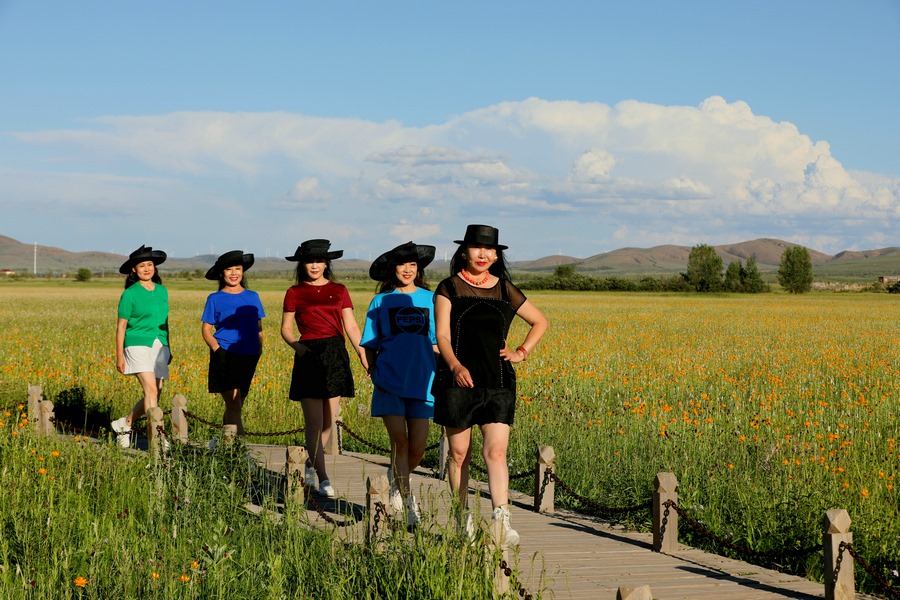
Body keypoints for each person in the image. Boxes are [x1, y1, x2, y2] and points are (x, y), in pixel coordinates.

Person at [433, 224, 548, 547]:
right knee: (459, 454)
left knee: (496, 451)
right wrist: (455, 366)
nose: (482, 254)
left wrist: (521, 352)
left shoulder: (505, 289)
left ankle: (502, 519)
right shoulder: (449, 287)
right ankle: (462, 519)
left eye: (489, 249)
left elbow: (540, 321)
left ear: (496, 255)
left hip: (498, 381)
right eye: (476, 248)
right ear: (464, 253)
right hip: (458, 380)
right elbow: (442, 335)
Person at [280, 239, 368, 498]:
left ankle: (310, 463)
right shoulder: (294, 292)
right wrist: (297, 346)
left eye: (319, 261)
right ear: (302, 264)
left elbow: (351, 326)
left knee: (329, 420)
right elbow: (286, 328)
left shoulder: (339, 290)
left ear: (327, 263)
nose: (315, 266)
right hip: (309, 354)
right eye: (310, 261)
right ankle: (324, 477)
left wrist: (363, 354)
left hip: (335, 353)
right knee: (314, 422)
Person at [361, 241, 438, 527]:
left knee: (418, 448)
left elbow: (437, 340)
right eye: (402, 265)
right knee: (400, 443)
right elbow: (369, 343)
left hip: (423, 381)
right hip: (389, 381)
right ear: (393, 269)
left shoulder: (431, 299)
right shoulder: (380, 301)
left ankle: (396, 478)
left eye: (413, 265)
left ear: (419, 269)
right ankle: (408, 504)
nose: (407, 269)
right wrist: (372, 370)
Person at [111, 245, 172, 449]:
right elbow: (121, 327)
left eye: (149, 265)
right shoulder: (130, 294)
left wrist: (168, 347)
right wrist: (119, 356)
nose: (146, 269)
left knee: (156, 392)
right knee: (151, 389)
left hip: (159, 344)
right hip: (136, 344)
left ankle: (125, 423)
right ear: (134, 270)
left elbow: (165, 322)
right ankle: (157, 437)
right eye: (142, 266)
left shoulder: (162, 291)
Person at [201, 250, 265, 441]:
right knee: (234, 404)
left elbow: (258, 326)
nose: (234, 273)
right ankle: (241, 448)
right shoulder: (215, 298)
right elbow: (206, 329)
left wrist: (259, 347)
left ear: (243, 271)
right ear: (222, 273)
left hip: (249, 355)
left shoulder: (253, 297)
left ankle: (224, 444)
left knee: (236, 405)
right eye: (229, 269)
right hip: (225, 354)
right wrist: (217, 349)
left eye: (238, 268)